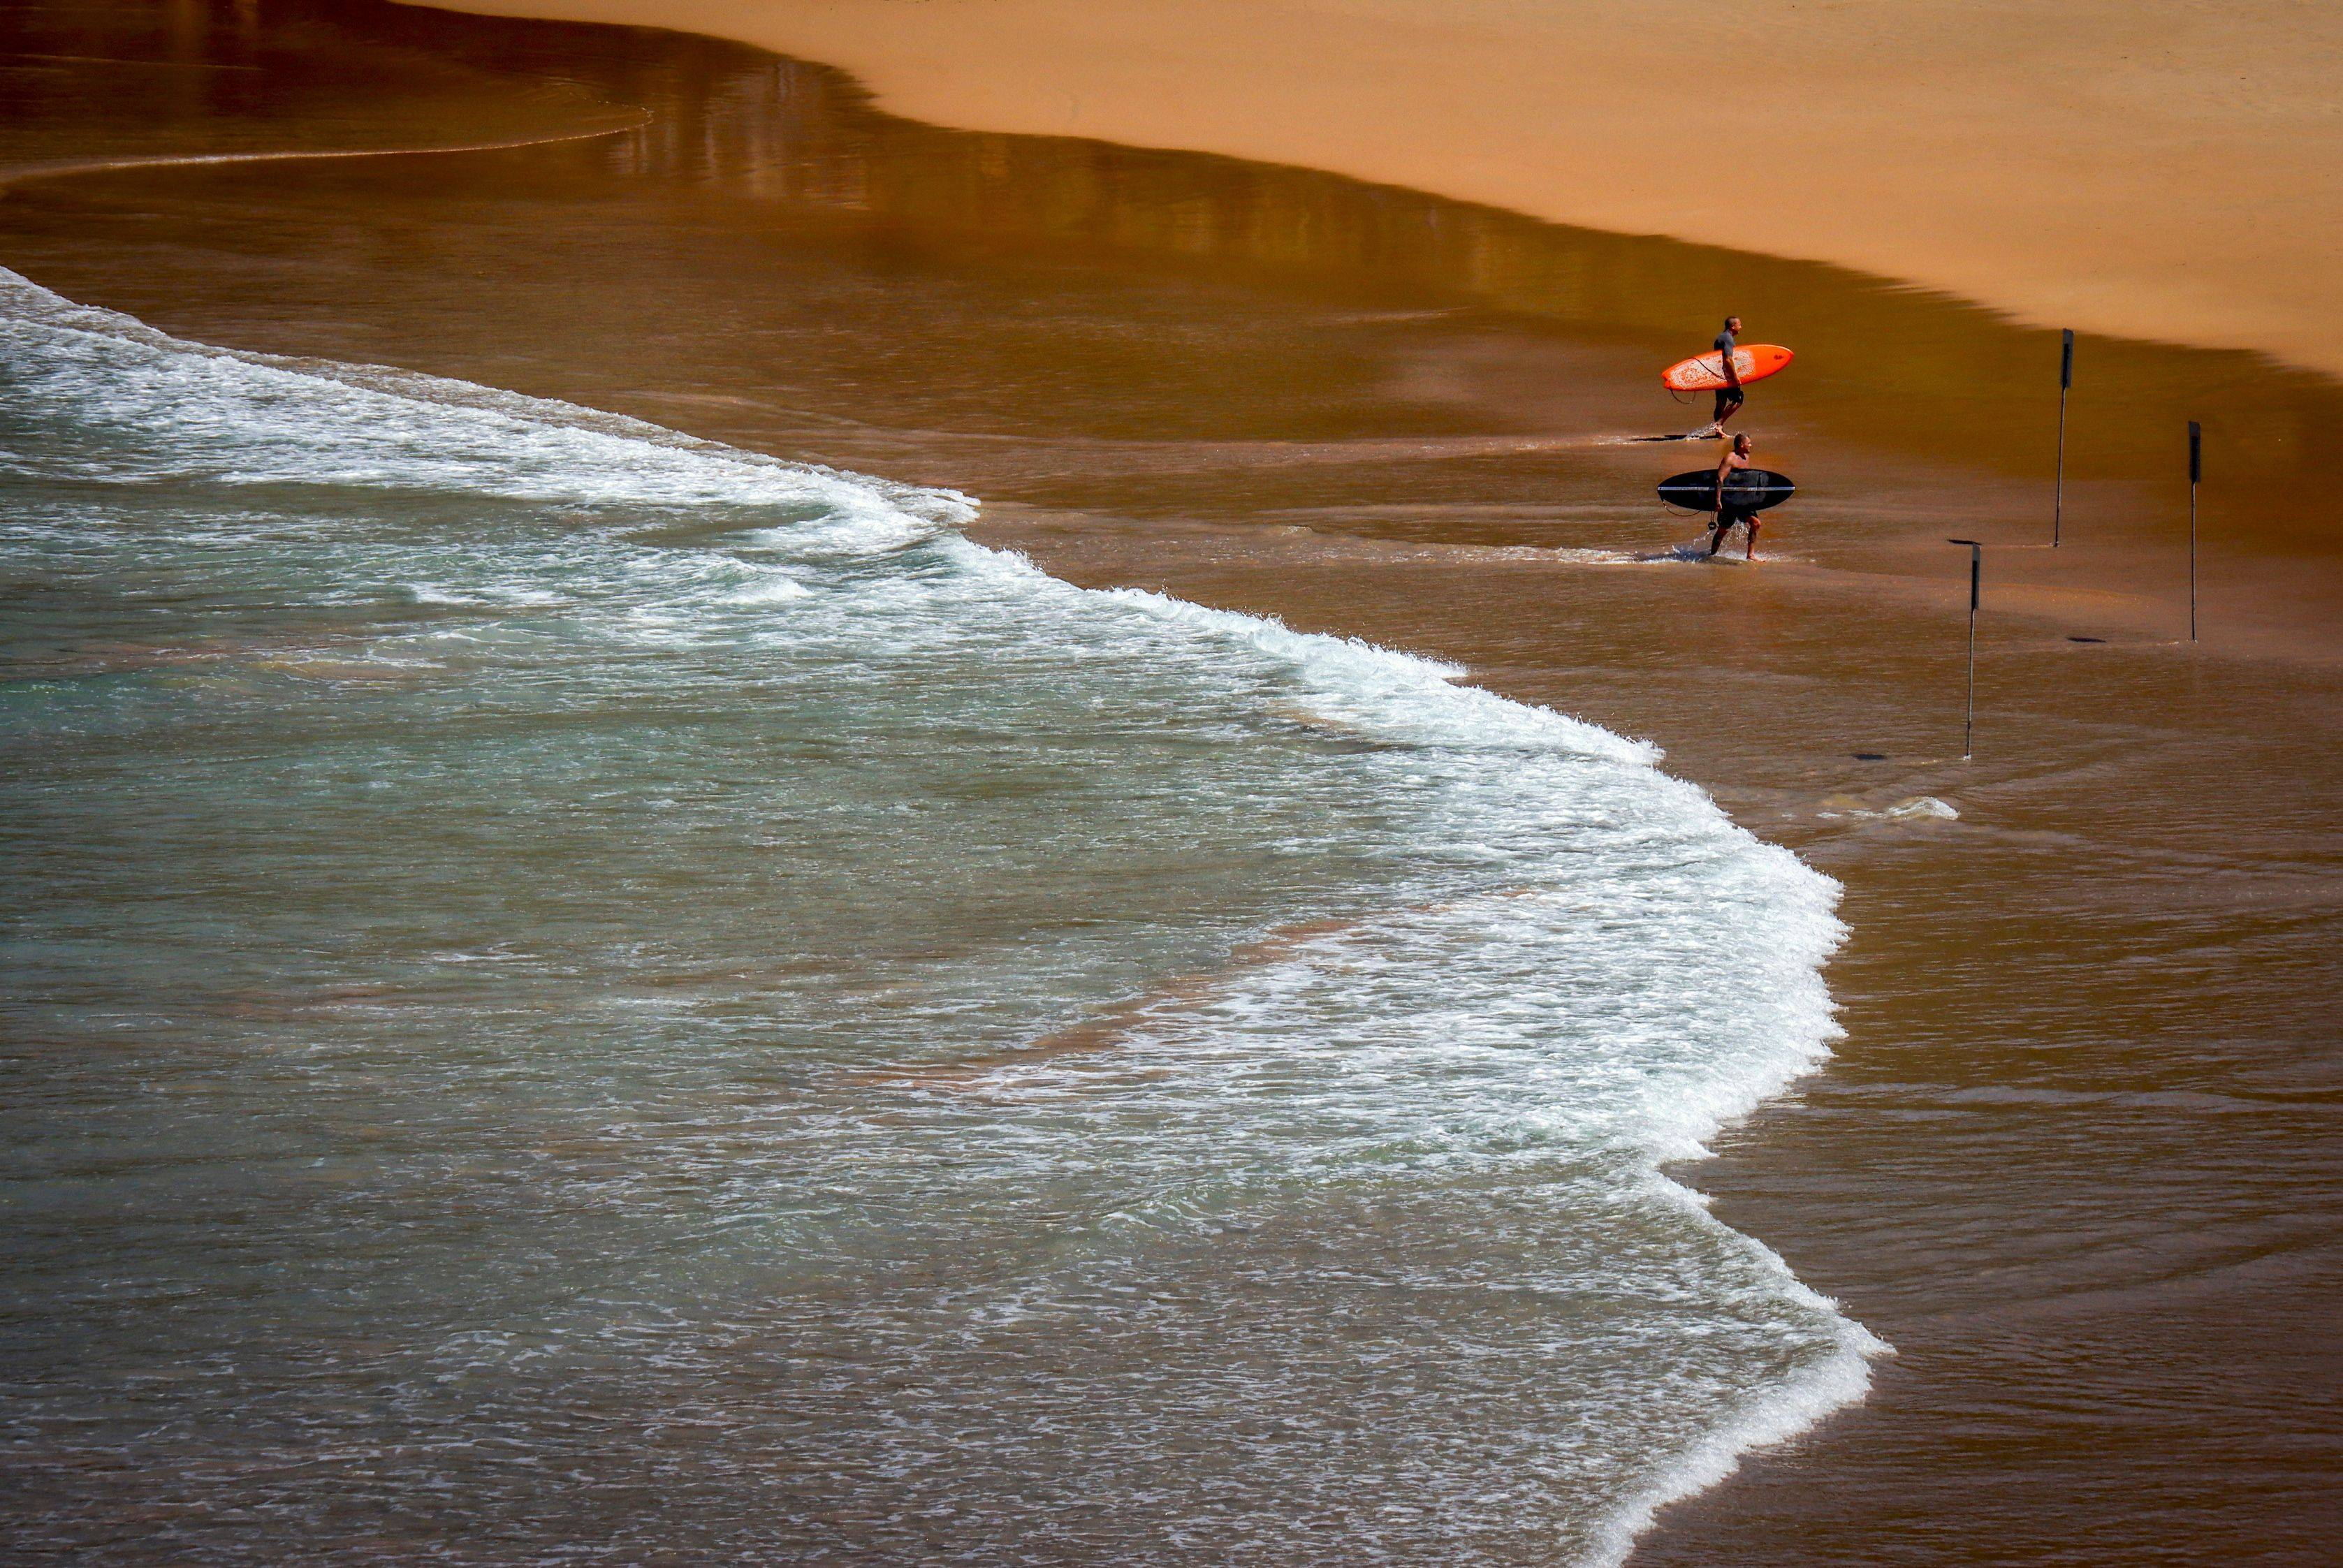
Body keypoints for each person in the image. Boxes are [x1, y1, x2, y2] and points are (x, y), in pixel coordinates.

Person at [1706, 432, 1763, 559]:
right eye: (1749, 443)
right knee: (1722, 530)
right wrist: (1718, 500)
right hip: (1730, 501)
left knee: (1756, 523)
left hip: (1744, 500)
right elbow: (1719, 479)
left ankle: (1750, 555)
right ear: (1742, 445)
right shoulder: (1730, 458)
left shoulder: (1746, 457)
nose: (1751, 445)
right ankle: (1712, 554)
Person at [1700, 315, 1744, 437]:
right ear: (1733, 326)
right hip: (1727, 376)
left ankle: (1718, 432)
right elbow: (1728, 359)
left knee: (1721, 402)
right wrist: (1735, 377)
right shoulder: (1728, 339)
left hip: (1719, 374)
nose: (1741, 327)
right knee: (1738, 400)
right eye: (1739, 325)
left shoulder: (1721, 337)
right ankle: (1719, 425)